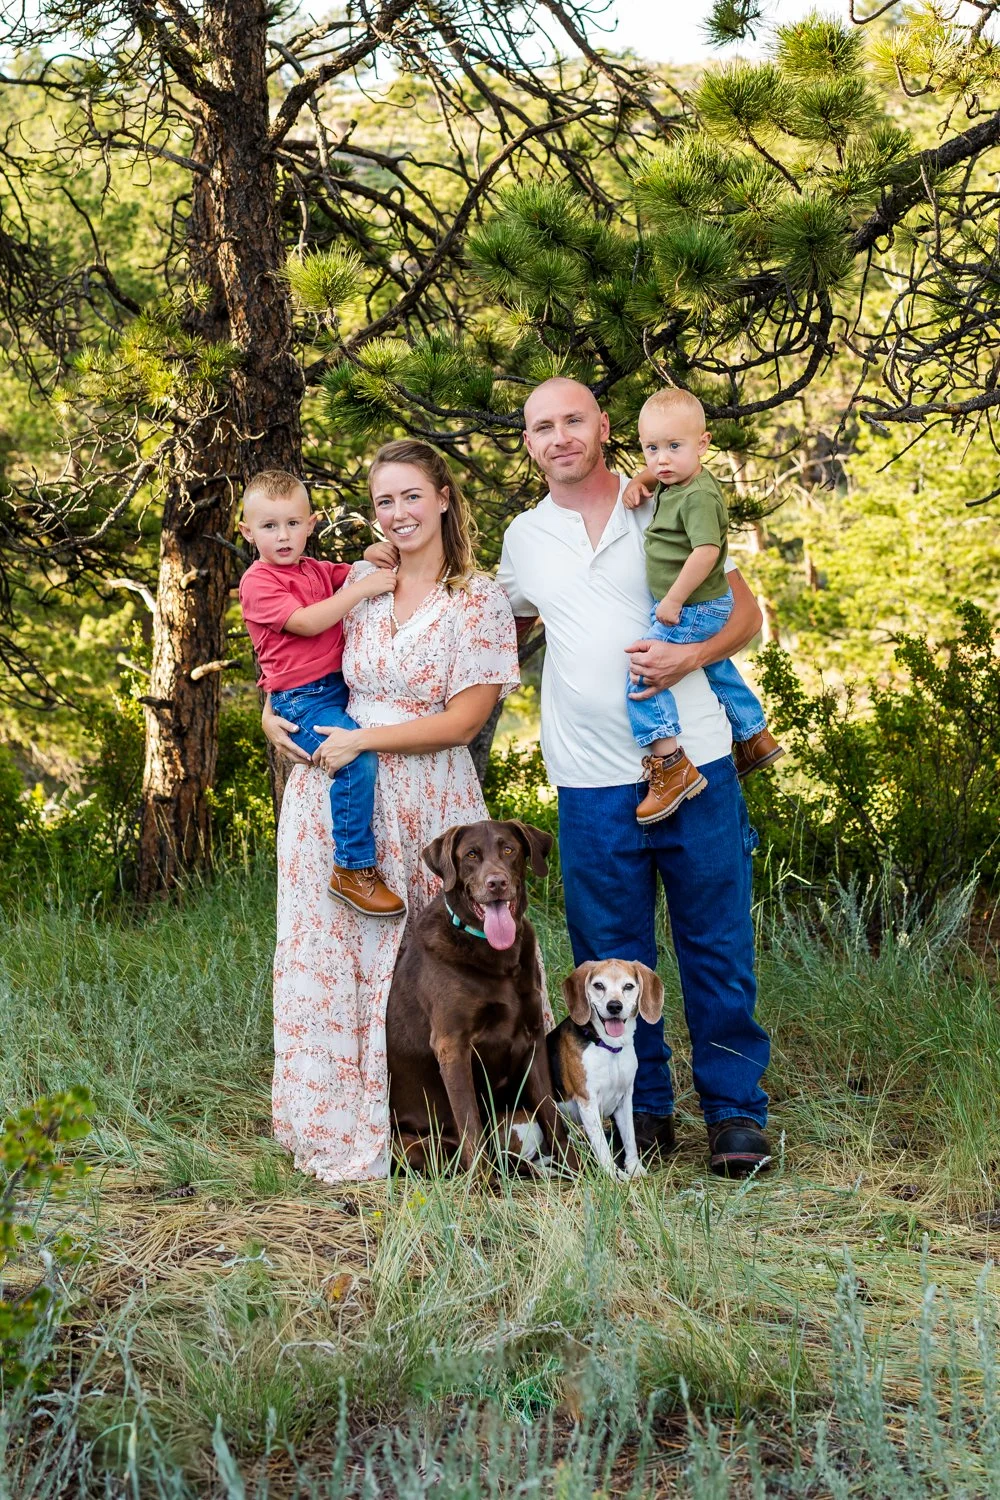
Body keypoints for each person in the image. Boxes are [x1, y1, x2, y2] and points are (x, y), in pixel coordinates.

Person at [497, 377, 773, 1178]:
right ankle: (641, 1110)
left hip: (695, 763)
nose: (559, 436)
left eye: (573, 420)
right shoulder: (524, 538)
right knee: (611, 957)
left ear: (603, 426)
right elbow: (487, 631)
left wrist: (691, 655)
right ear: (528, 442)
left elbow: (745, 616)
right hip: (588, 783)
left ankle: (734, 1116)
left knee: (715, 945)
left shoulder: (664, 495)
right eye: (541, 426)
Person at [259, 440, 524, 1183]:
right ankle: (343, 1127)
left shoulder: (476, 599)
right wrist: (270, 716)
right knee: (335, 963)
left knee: (430, 965)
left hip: (427, 793)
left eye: (412, 496)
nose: (399, 513)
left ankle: (440, 1129)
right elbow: (291, 655)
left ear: (444, 496)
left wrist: (365, 739)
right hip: (335, 795)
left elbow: (465, 721)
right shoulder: (361, 581)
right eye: (384, 501)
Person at [238, 469, 405, 916]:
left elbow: (353, 572)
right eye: (269, 526)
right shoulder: (258, 582)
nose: (283, 536)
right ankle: (352, 868)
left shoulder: (313, 568)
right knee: (353, 757)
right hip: (303, 699)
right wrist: (366, 588)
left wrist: (370, 555)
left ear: (312, 524)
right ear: (247, 532)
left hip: (336, 688)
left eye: (293, 523)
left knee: (360, 749)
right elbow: (309, 621)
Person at [622, 388, 783, 826]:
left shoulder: (697, 497)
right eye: (652, 448)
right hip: (698, 604)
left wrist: (672, 600)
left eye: (674, 447)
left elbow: (706, 552)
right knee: (716, 667)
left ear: (704, 444)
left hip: (691, 604)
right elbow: (663, 468)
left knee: (643, 669)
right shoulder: (678, 479)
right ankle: (754, 736)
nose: (662, 459)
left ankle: (671, 764)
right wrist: (643, 480)